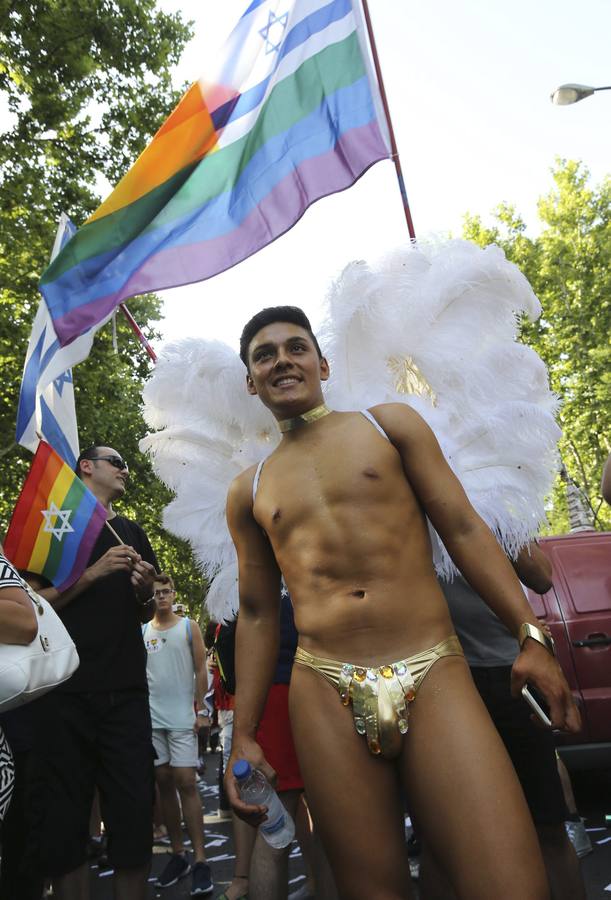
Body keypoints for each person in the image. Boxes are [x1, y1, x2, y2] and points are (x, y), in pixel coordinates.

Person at [224, 306, 580, 900]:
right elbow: (258, 613)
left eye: (295, 347)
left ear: (322, 362)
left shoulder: (389, 425)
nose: (282, 360)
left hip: (432, 665)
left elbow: (464, 528)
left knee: (508, 882)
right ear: (250, 380)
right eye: (265, 354)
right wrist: (244, 734)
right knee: (373, 890)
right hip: (323, 688)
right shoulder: (249, 489)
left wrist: (530, 634)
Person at [419, 542, 586, 900]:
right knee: (445, 837)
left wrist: (492, 516)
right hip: (441, 679)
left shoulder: (486, 495)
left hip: (508, 676)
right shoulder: (402, 500)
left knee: (547, 828)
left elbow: (541, 575)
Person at [28, 445, 158, 900]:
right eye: (116, 462)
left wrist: (144, 593)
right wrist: (93, 573)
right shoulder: (52, 526)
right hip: (63, 695)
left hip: (125, 693)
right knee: (65, 828)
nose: (125, 470)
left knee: (134, 819)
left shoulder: (129, 532)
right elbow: (28, 608)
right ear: (87, 466)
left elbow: (144, 612)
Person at [143, 572, 213, 895]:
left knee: (186, 781)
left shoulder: (189, 626)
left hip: (184, 717)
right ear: (151, 596)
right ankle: (178, 854)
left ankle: (200, 860)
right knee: (163, 782)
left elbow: (201, 668)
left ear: (173, 594)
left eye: (166, 591)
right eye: (157, 592)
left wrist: (202, 710)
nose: (162, 597)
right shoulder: (143, 632)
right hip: (154, 721)